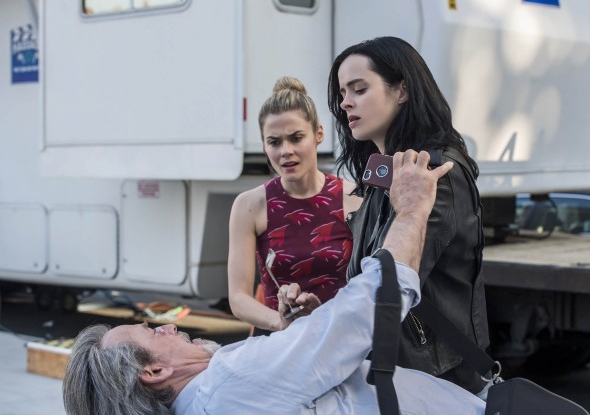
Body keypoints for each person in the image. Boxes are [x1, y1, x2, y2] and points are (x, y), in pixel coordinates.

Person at [62, 150, 486, 415]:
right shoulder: (230, 381)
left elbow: (299, 383)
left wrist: (304, 326)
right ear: (155, 371)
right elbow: (368, 308)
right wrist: (411, 209)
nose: (170, 326)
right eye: (154, 332)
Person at [328, 36, 490, 395]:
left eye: (359, 89)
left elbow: (386, 288)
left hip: (434, 380)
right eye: (342, 93)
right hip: (397, 372)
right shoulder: (387, 171)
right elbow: (368, 278)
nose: (345, 103)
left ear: (402, 90)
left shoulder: (432, 173)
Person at [227, 76, 362, 335]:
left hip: (342, 338)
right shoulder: (249, 205)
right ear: (264, 145)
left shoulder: (354, 198)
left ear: (318, 134)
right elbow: (238, 298)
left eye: (296, 138)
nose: (285, 151)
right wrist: (283, 323)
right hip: (280, 342)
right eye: (274, 142)